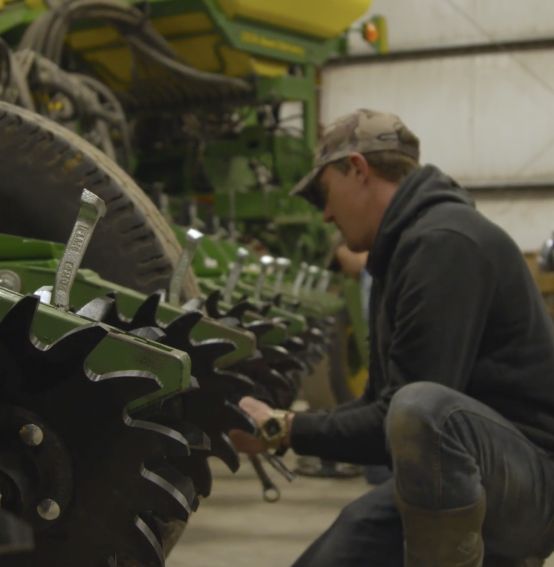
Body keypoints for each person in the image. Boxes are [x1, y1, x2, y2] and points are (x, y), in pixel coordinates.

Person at [229, 109, 554, 567]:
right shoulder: (401, 253)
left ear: (359, 170)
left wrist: (282, 429)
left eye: (325, 193)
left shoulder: (445, 243)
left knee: (423, 408)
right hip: (458, 473)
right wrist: (278, 426)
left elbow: (412, 419)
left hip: (528, 487)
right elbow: (380, 411)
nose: (324, 215)